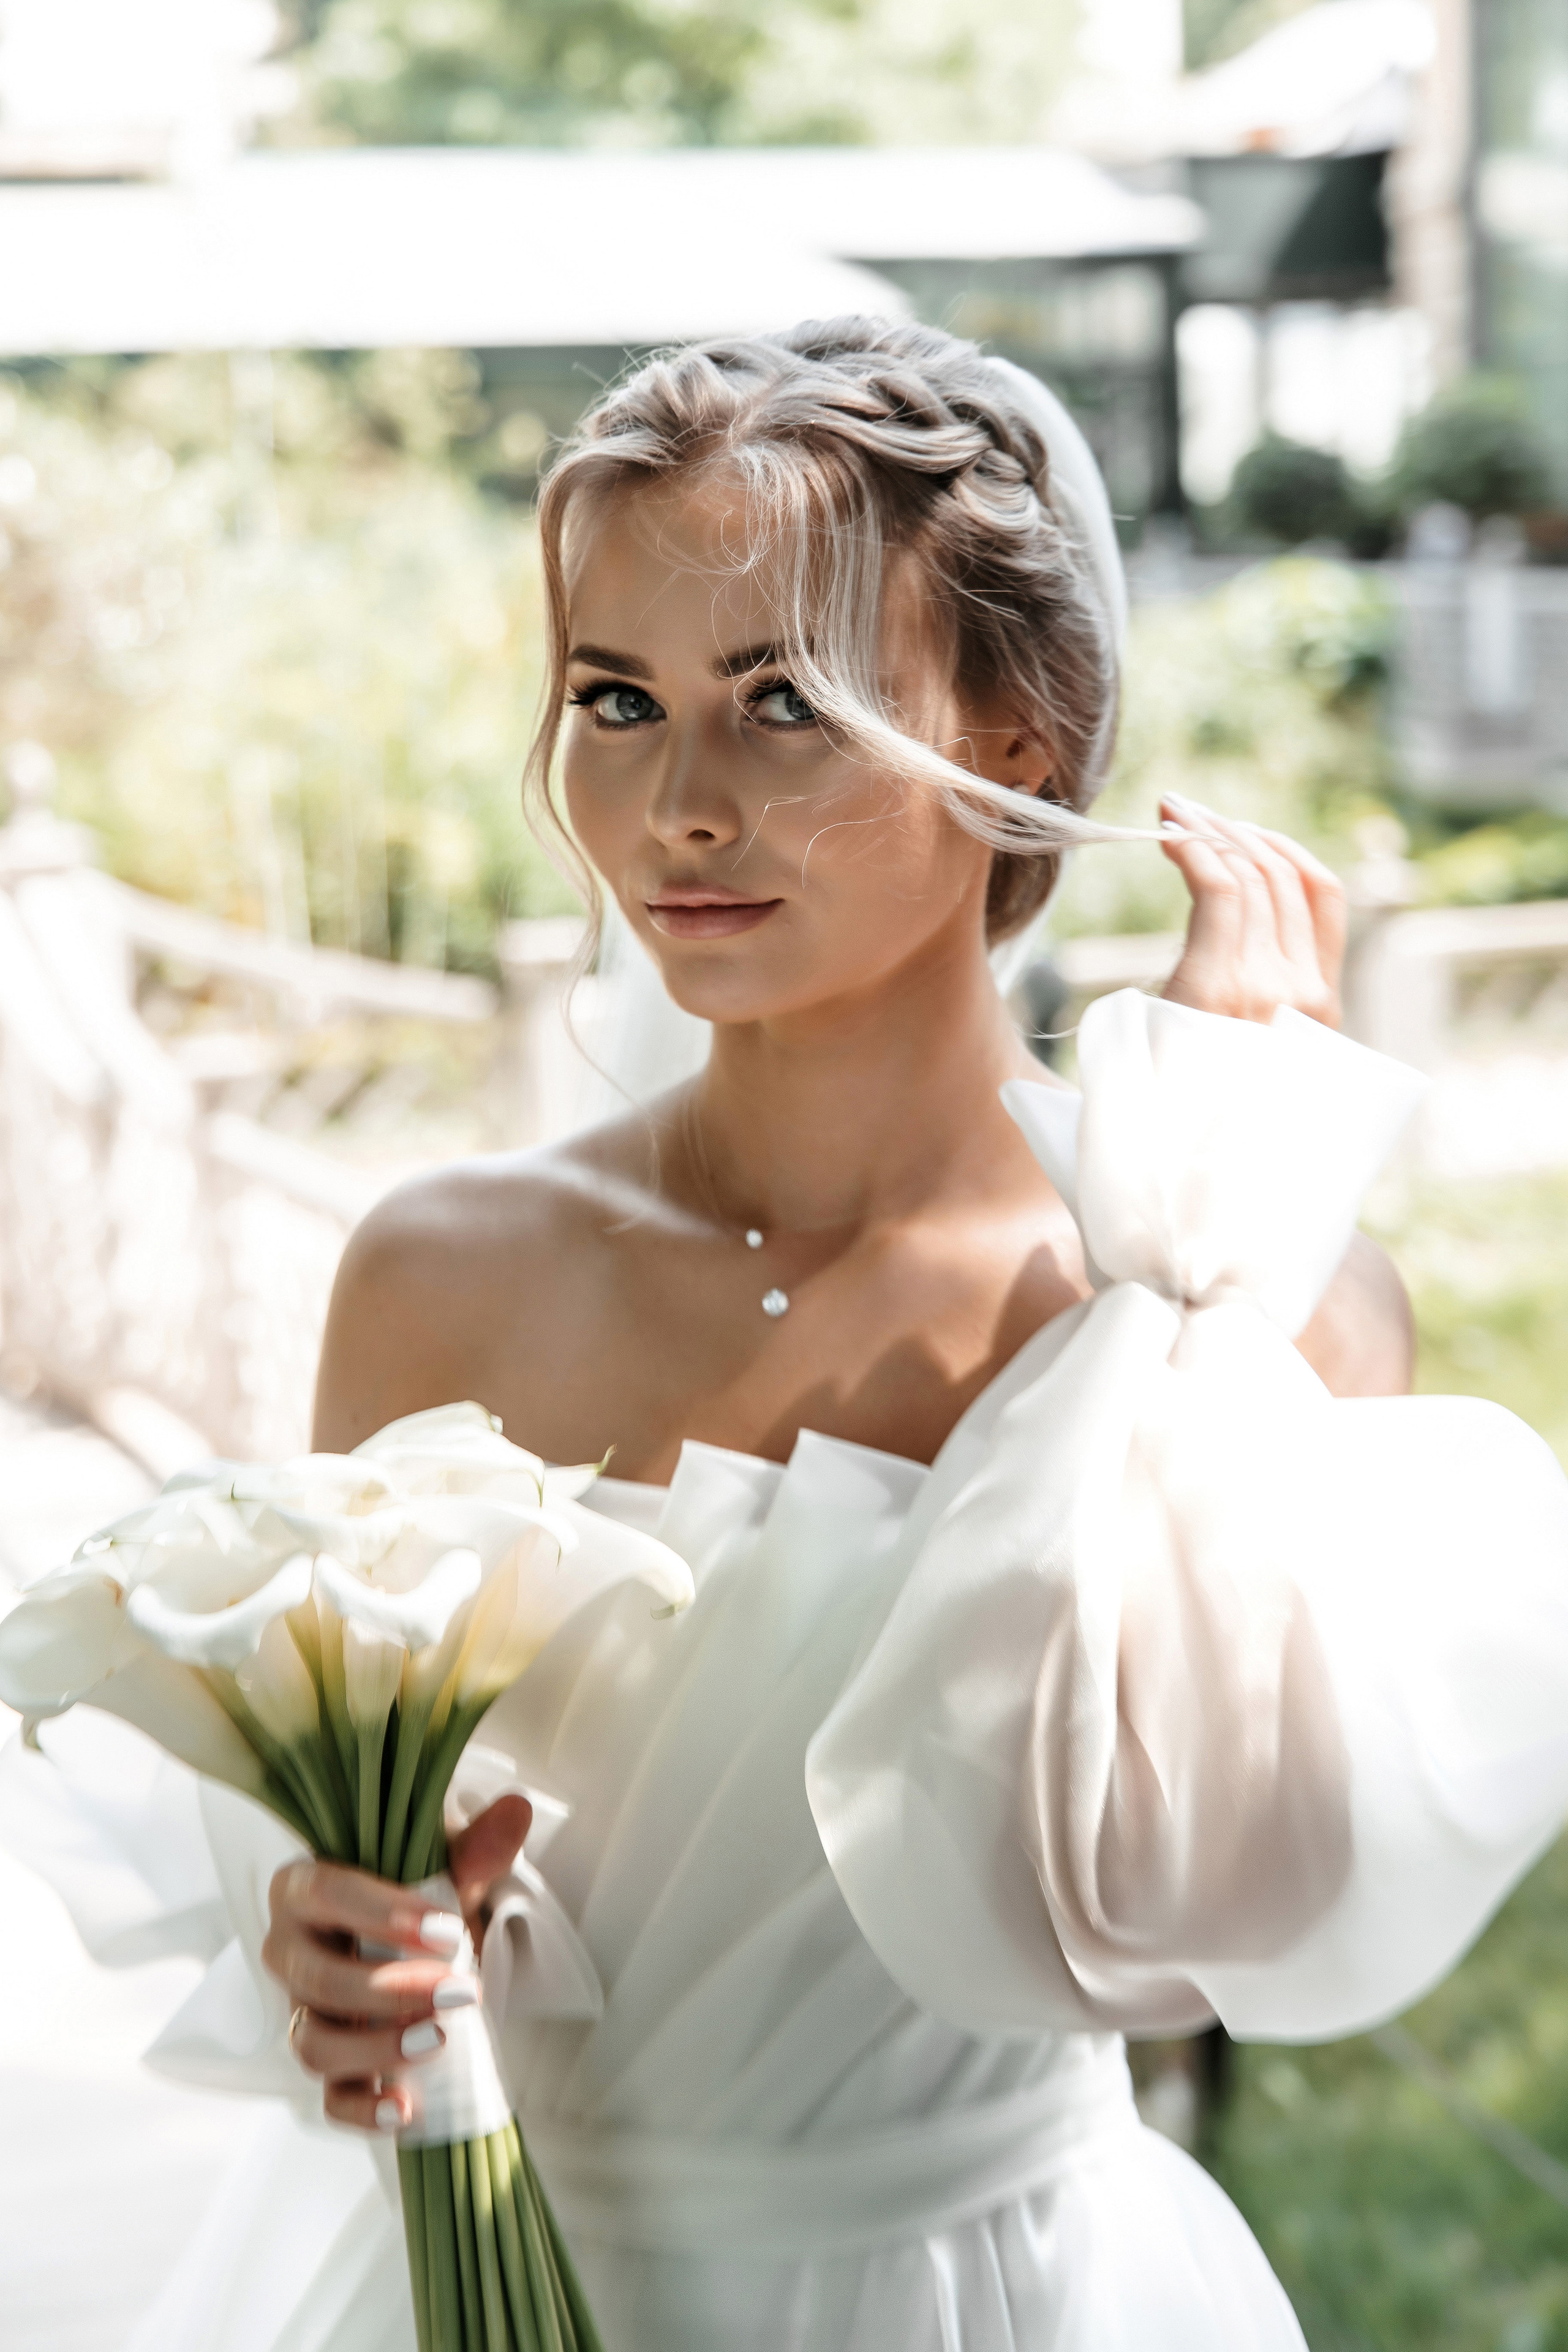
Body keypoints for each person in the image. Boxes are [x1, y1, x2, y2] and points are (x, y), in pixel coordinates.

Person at [40, 318, 1568, 2351]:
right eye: (618, 699)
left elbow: (1219, 1908)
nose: (681, 805)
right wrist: (332, 1935)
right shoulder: (440, 1276)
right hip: (501, 2282)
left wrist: (1213, 1194)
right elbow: (355, 1863)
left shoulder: (1218, 1292)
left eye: (786, 703)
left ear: (1020, 742)